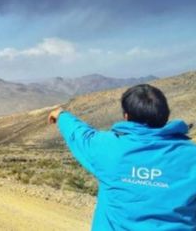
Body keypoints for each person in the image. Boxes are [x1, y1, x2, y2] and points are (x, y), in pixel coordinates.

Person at [48, 84, 196, 230]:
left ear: (126, 116)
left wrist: (61, 115)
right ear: (166, 116)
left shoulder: (107, 147)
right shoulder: (191, 155)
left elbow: (80, 134)